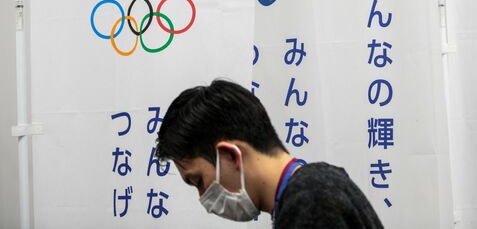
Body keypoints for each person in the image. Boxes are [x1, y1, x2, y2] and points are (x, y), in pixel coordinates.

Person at [156, 79, 384, 228]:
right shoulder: (311, 188)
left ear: (231, 155)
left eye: (199, 181)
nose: (203, 199)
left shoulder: (310, 198)